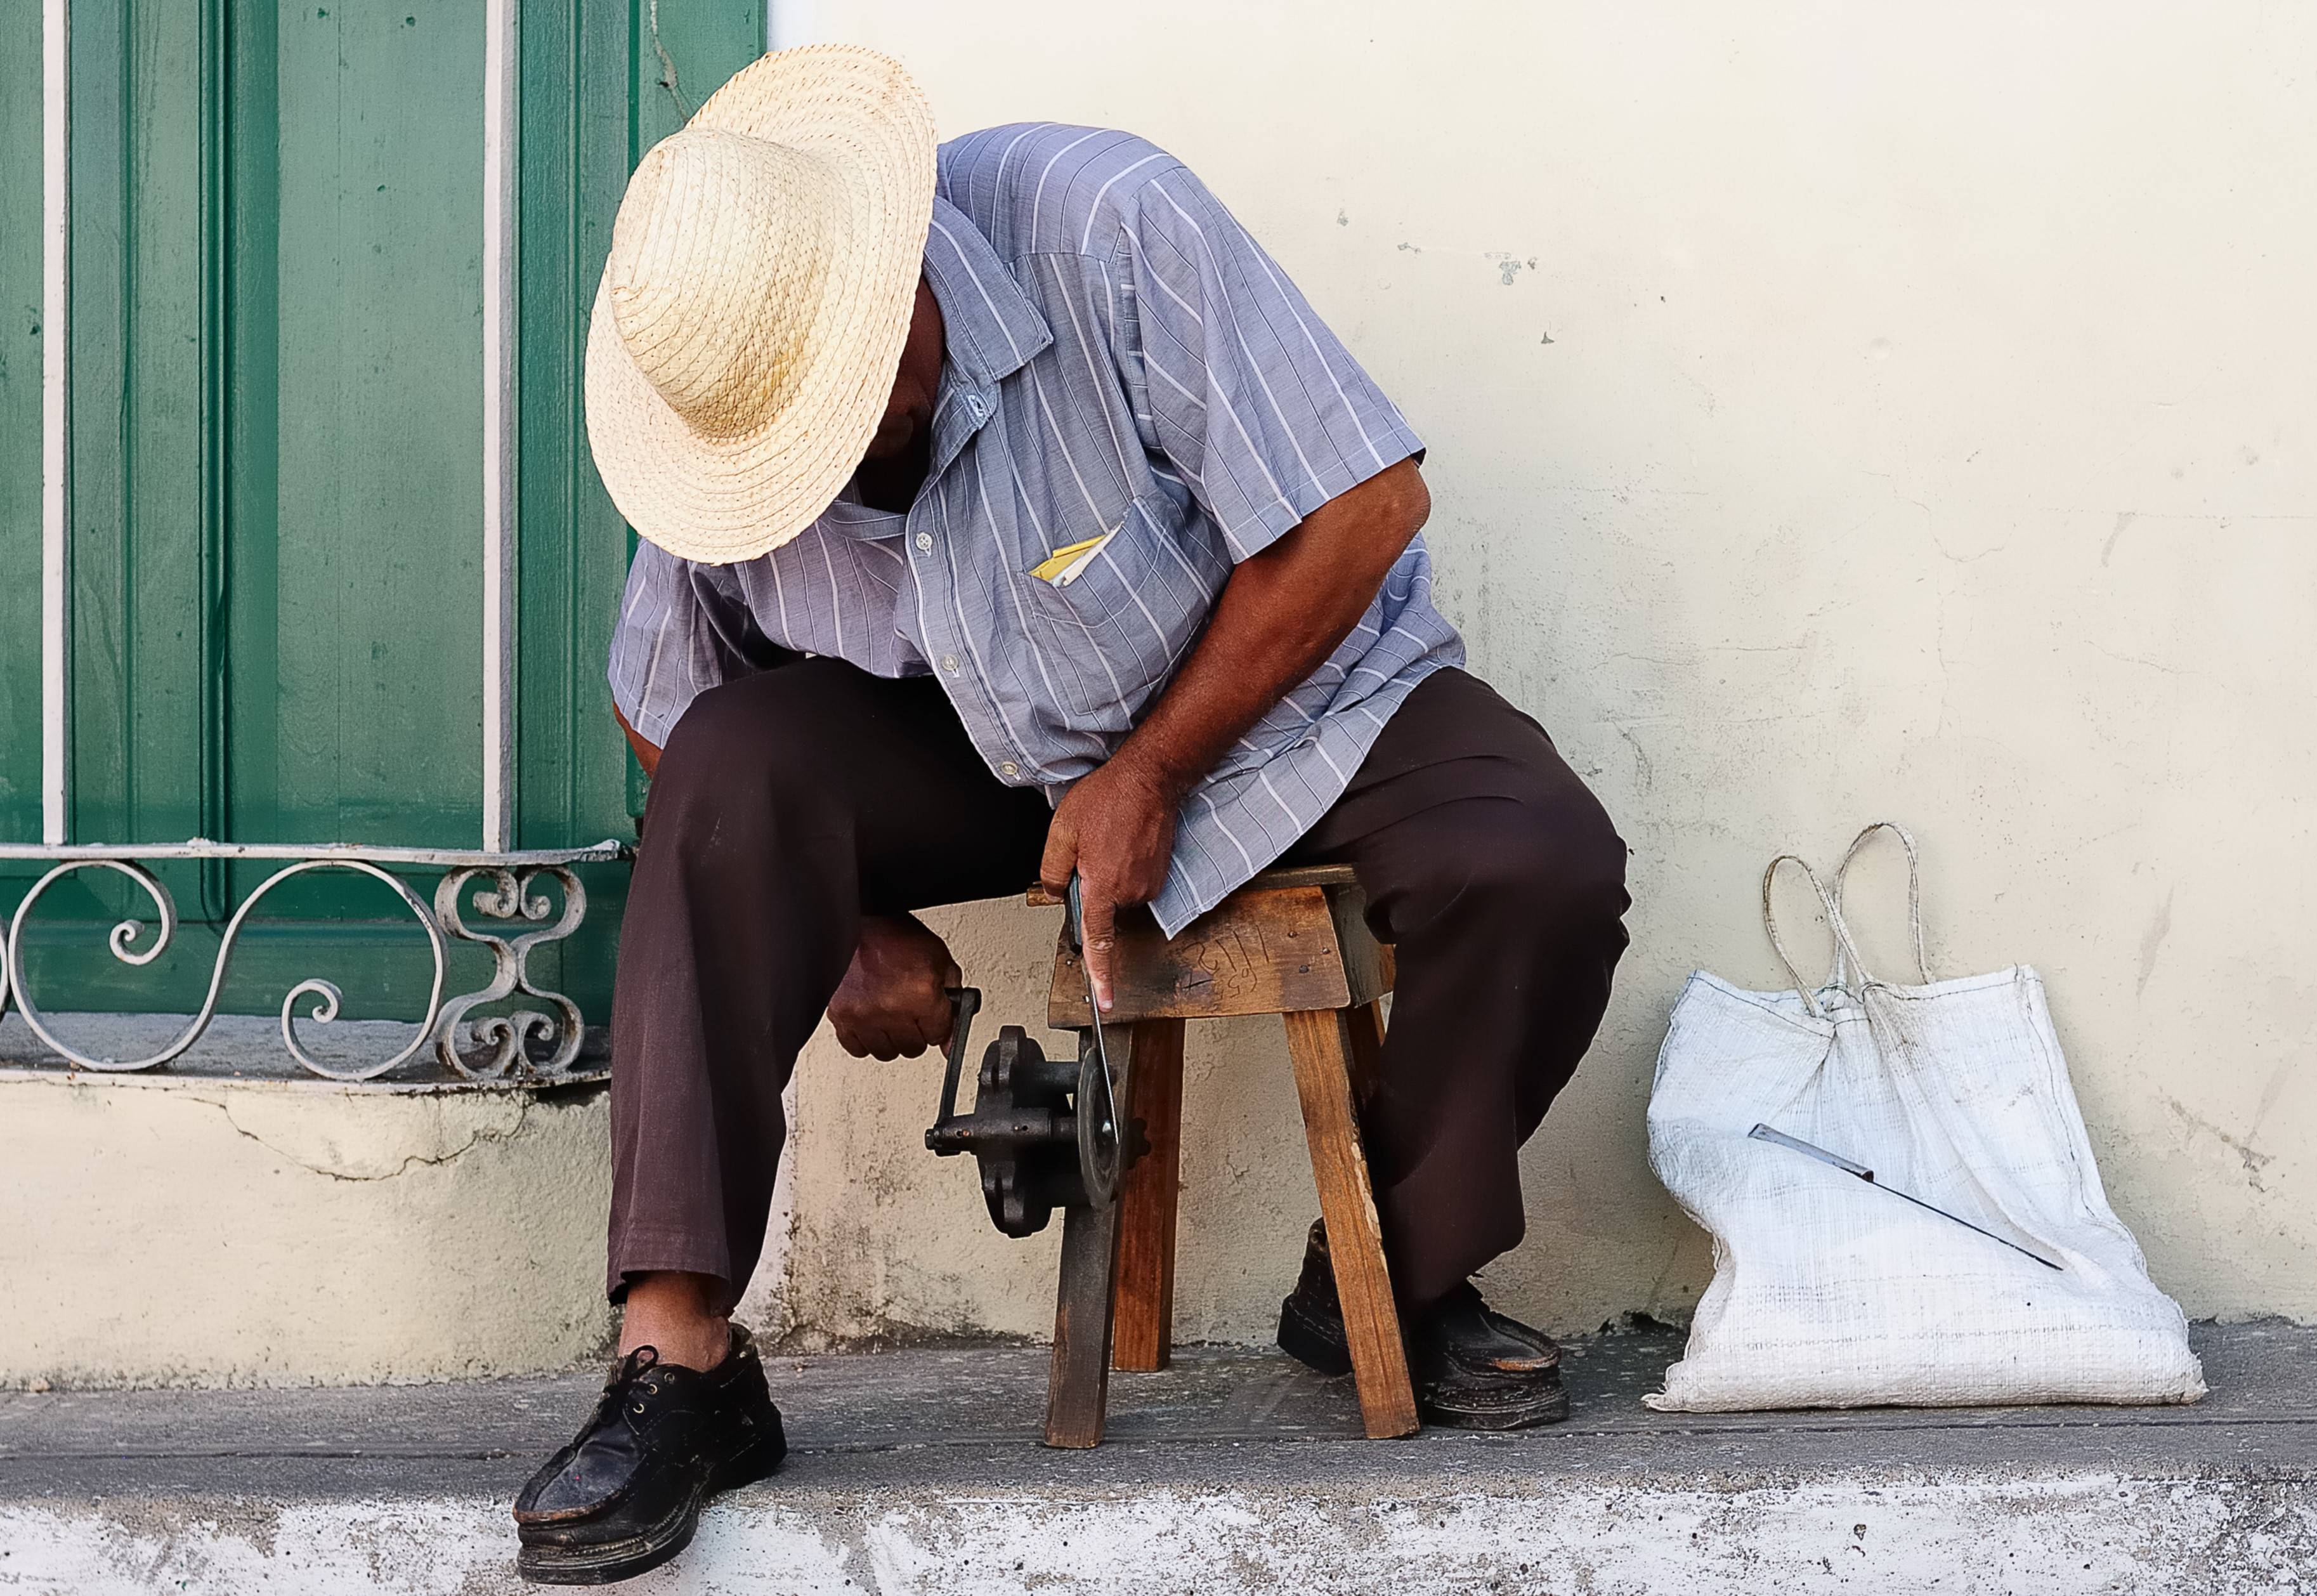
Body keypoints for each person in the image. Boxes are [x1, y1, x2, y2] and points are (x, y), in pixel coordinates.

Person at [512, 45, 1629, 1585]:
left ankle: (1387, 1262)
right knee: (730, 762)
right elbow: (662, 694)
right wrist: (840, 926)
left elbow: (1360, 510)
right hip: (972, 748)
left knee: (1539, 865)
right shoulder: (713, 413)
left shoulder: (1104, 223)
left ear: (899, 268)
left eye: (846, 405)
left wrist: (1155, 768)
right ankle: (681, 1361)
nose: (834, 461)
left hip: (1274, 684)